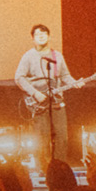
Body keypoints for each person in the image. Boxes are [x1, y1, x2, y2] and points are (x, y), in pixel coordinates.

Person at [15, 23, 78, 169]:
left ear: (49, 36)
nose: (41, 36)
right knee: (41, 139)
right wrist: (35, 93)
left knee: (62, 137)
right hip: (39, 103)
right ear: (32, 38)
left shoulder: (57, 56)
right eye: (37, 34)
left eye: (44, 34)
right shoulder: (28, 56)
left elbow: (65, 75)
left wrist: (75, 82)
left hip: (57, 101)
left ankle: (60, 168)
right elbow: (19, 78)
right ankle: (43, 169)